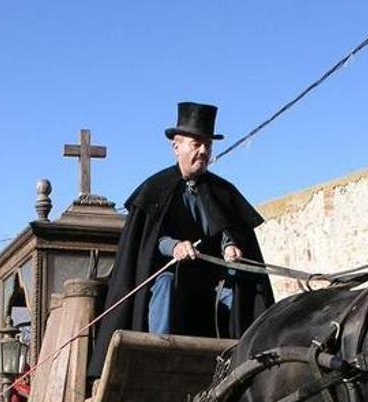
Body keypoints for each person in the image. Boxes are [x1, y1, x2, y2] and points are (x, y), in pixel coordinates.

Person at [88, 101, 274, 378]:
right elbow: (150, 240)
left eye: (207, 145)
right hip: (170, 278)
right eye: (196, 144)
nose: (203, 151)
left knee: (240, 290)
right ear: (177, 147)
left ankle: (243, 362)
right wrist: (174, 247)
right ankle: (157, 358)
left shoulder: (222, 192)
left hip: (209, 282)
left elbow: (225, 228)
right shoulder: (154, 190)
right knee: (164, 285)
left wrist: (230, 246)